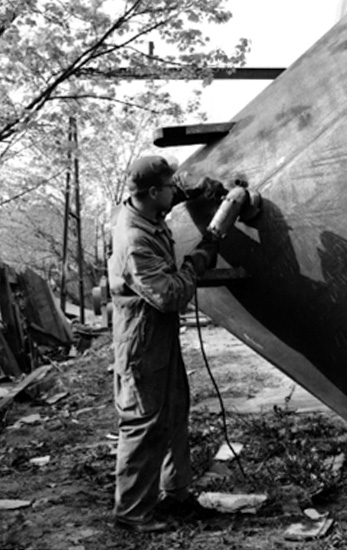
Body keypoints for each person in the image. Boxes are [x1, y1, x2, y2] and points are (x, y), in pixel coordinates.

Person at [108, 155, 226, 534]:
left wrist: (200, 191)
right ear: (151, 192)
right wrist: (200, 258)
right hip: (141, 339)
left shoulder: (144, 208)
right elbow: (170, 296)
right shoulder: (135, 240)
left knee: (174, 409)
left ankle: (176, 494)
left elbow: (171, 196)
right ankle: (132, 513)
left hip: (159, 334)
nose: (174, 191)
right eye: (168, 186)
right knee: (143, 421)